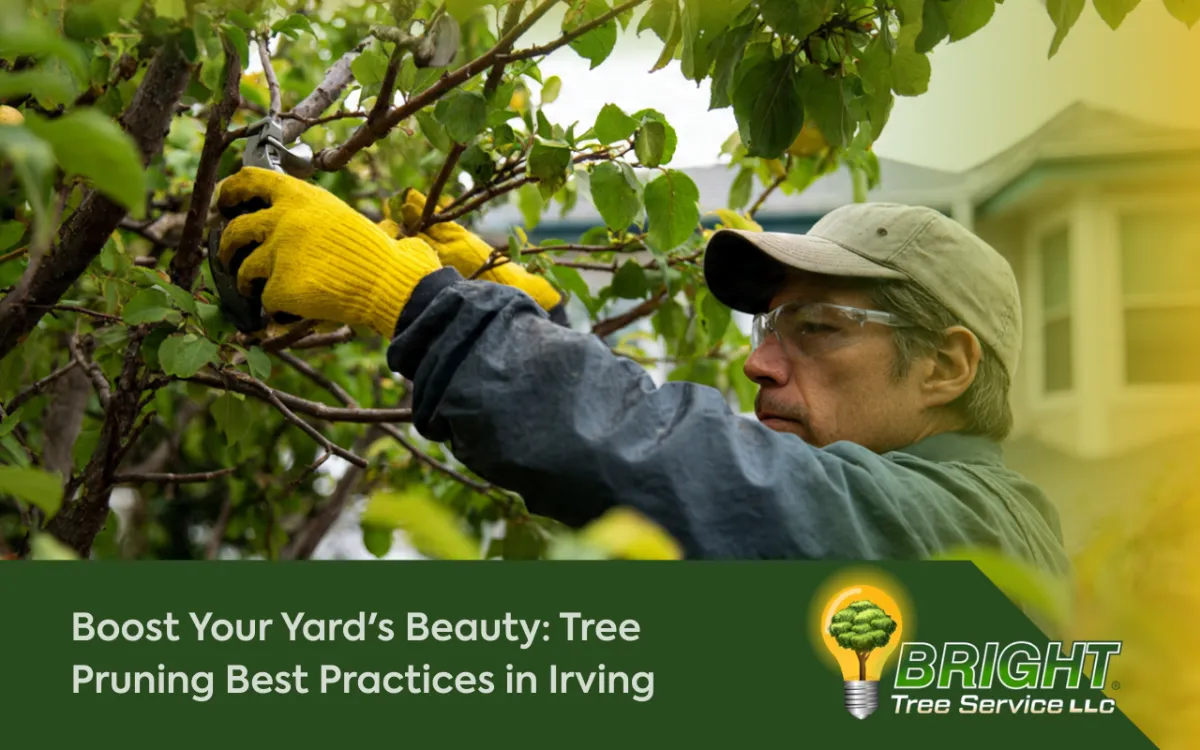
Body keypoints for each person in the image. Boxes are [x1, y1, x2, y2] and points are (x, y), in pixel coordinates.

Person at [213, 166, 1069, 574]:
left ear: (945, 367)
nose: (759, 361)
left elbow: (702, 474)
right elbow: (689, 501)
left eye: (817, 329)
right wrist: (542, 326)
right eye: (771, 326)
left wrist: (415, 301)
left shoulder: (975, 542)